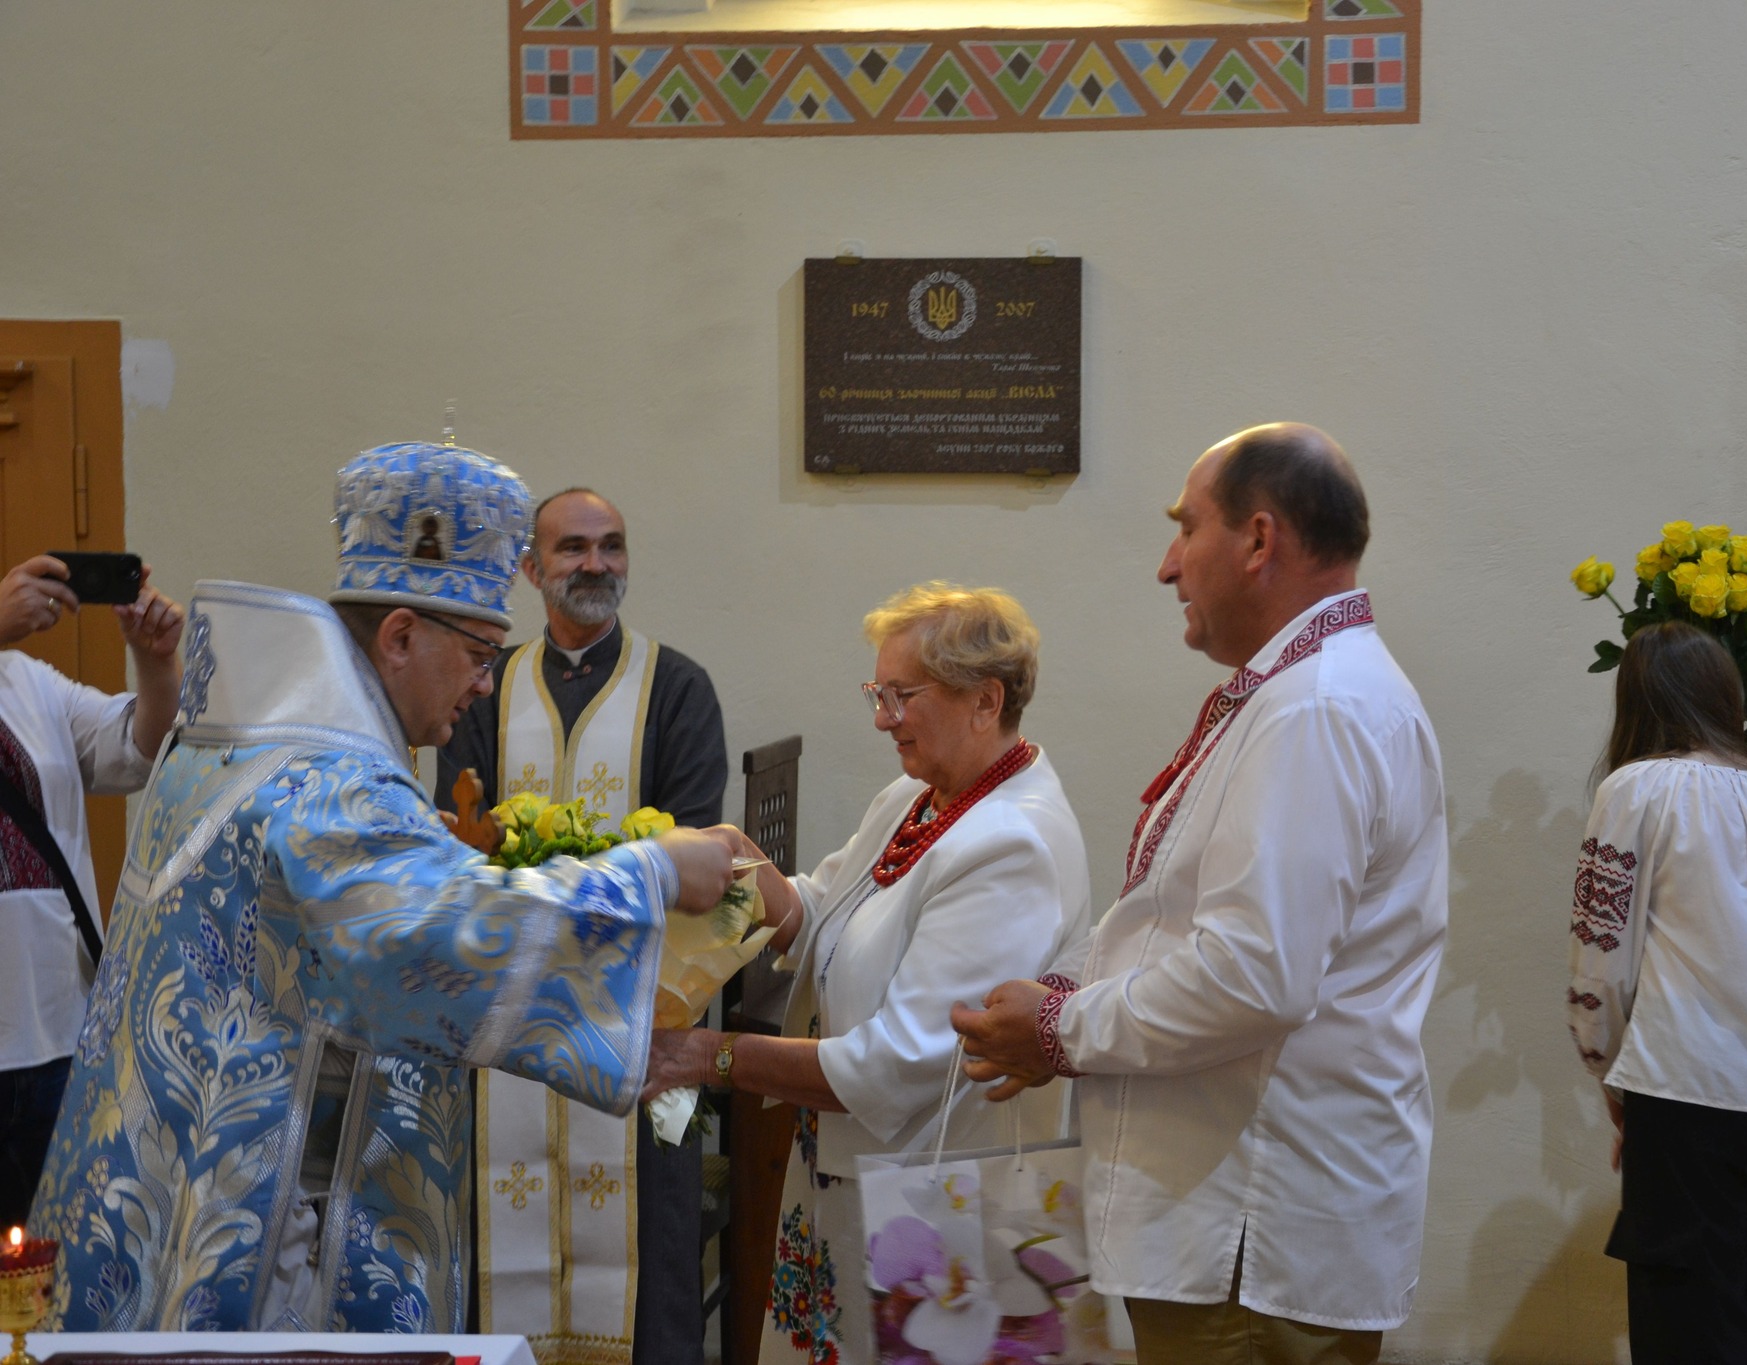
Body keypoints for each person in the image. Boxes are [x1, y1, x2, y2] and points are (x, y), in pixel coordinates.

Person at [28, 442, 738, 1334]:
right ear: (400, 636)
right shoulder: (333, 778)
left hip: (166, 1192)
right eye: (479, 652)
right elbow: (439, 935)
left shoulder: (245, 739)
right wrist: (655, 868)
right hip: (259, 1235)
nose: (486, 683)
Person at [953, 423, 1447, 1364]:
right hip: (1236, 1225)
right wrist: (1071, 994)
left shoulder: (1315, 708)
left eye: (1187, 528)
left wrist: (1064, 1030)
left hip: (1251, 1234)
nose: (1167, 564)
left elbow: (1254, 976)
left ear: (1259, 540)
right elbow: (1194, 922)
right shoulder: (1302, 693)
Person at [641, 582, 1091, 1365]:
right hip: (850, 1180)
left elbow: (900, 1062)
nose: (883, 717)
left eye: (903, 696)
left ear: (985, 699)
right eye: (878, 692)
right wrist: (746, 872)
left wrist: (708, 1055)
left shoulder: (1010, 844)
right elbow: (827, 910)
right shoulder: (918, 796)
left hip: (934, 1207)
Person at [436, 486, 727, 1365]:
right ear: (532, 568)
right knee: (498, 1234)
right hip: (509, 1021)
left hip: (639, 1022)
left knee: (653, 1252)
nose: (595, 563)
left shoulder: (677, 688)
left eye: (611, 545)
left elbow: (694, 856)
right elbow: (460, 844)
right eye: (573, 547)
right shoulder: (484, 687)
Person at [1565, 621, 1747, 1362]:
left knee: (1685, 1326)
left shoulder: (1634, 788)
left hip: (1681, 1089)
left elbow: (1599, 954)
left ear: (1638, 700)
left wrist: (1607, 1069)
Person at [0, 554, 183, 1226]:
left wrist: (156, 662)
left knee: (64, 1257)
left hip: (60, 1040)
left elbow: (142, 747)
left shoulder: (27, 681)